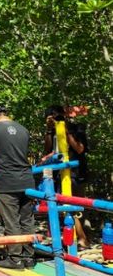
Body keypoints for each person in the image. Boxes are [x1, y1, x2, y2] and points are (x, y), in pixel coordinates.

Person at [0, 100, 35, 269]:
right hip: (27, 180)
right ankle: (29, 257)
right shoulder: (23, 129)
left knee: (11, 221)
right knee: (27, 220)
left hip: (6, 181)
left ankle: (15, 259)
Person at [43, 105, 89, 248]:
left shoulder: (77, 128)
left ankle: (83, 238)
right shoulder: (53, 131)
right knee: (65, 207)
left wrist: (66, 130)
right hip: (60, 174)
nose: (56, 119)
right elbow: (48, 150)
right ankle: (76, 238)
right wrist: (50, 130)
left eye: (58, 115)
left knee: (78, 207)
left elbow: (79, 149)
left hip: (77, 174)